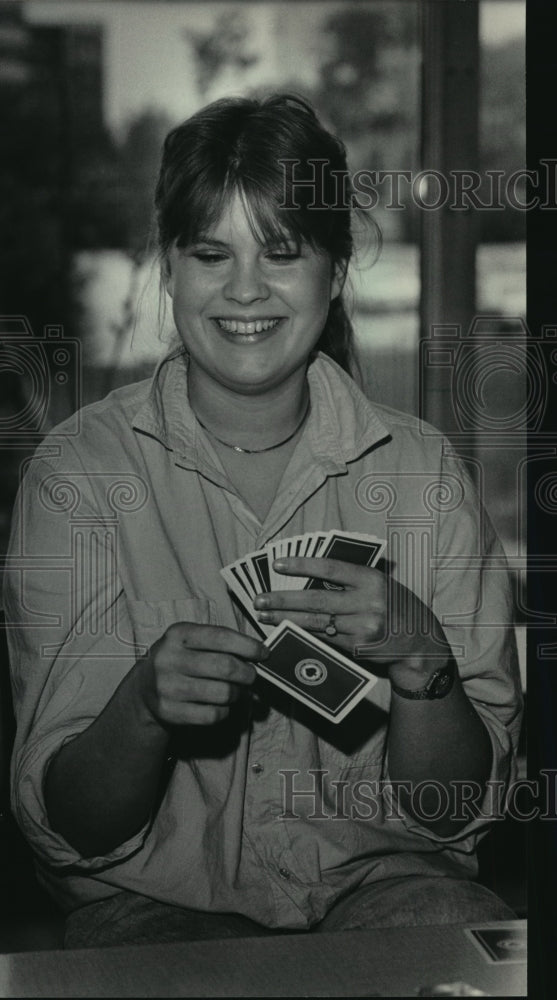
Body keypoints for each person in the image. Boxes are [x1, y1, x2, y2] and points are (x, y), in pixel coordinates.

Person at [4, 94, 522, 949]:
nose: (244, 289)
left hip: (388, 886)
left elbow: (452, 816)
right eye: (210, 253)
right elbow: (76, 828)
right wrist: (140, 707)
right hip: (154, 906)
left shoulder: (423, 475)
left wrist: (423, 662)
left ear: (335, 266)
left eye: (282, 252)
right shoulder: (80, 475)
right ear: (167, 268)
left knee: (457, 923)